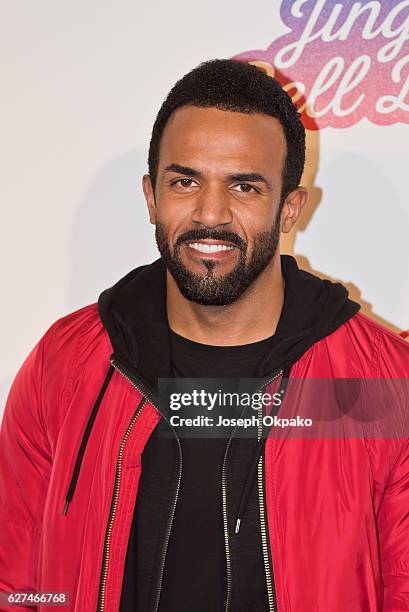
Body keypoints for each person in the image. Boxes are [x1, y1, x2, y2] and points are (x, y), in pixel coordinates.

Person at [1, 58, 409, 612]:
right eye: (186, 181)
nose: (210, 213)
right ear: (151, 196)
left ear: (289, 208)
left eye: (243, 186)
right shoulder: (65, 362)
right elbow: (19, 586)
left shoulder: (383, 387)